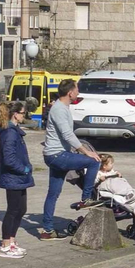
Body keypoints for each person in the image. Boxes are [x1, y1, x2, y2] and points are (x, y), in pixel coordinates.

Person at [38, 79, 101, 241]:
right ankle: (86, 198)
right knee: (94, 161)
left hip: (58, 154)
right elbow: (67, 134)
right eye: (77, 89)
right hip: (57, 155)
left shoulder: (63, 107)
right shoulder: (59, 109)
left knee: (53, 193)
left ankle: (47, 230)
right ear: (70, 92)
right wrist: (86, 152)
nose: (78, 92)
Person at [0, 102, 33, 259]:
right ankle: (5, 244)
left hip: (19, 178)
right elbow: (9, 158)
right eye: (22, 113)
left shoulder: (14, 131)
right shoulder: (9, 132)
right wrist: (23, 169)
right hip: (13, 176)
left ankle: (12, 241)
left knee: (21, 209)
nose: (24, 116)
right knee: (13, 210)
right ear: (15, 114)